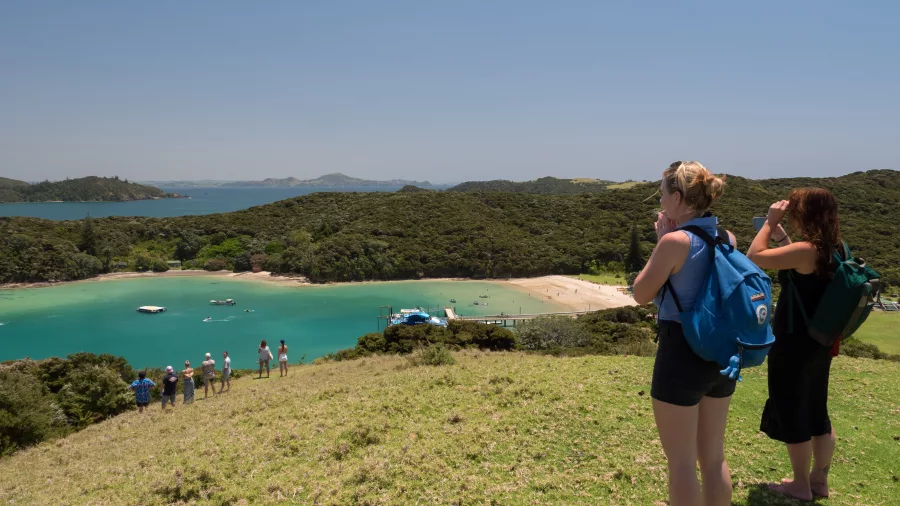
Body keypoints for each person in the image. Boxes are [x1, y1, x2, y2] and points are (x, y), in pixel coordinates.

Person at [632, 161, 736, 506]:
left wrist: (662, 240)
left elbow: (641, 293)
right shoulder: (727, 236)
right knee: (714, 456)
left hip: (682, 352)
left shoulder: (675, 241)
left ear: (678, 198)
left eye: (662, 194)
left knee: (680, 463)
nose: (660, 201)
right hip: (721, 352)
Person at [747, 189, 841, 501]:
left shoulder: (807, 250)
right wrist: (783, 237)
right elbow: (802, 273)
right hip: (819, 343)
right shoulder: (835, 248)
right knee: (816, 409)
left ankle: (800, 485)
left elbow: (754, 257)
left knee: (792, 409)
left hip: (793, 344)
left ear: (806, 214)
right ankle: (818, 480)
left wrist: (768, 223)